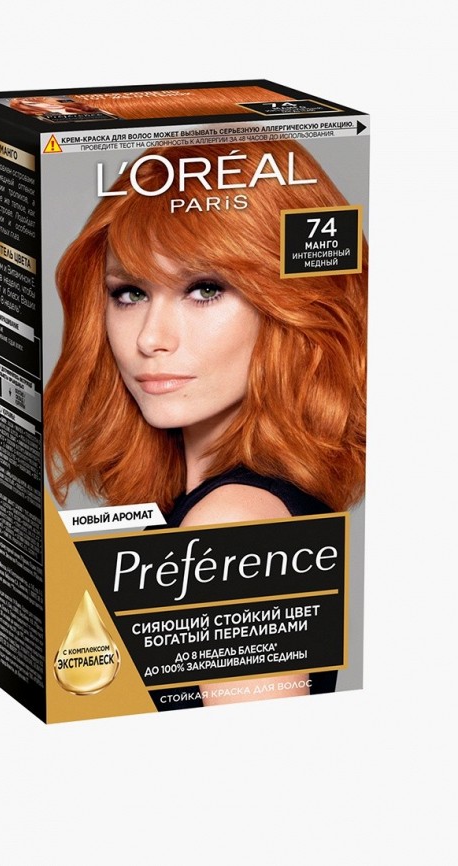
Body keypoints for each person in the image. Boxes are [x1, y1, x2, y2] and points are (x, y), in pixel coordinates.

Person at [44, 140, 367, 704]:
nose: (151, 338)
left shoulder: (233, 522)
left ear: (287, 303)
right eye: (130, 293)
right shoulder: (220, 508)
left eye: (205, 289)